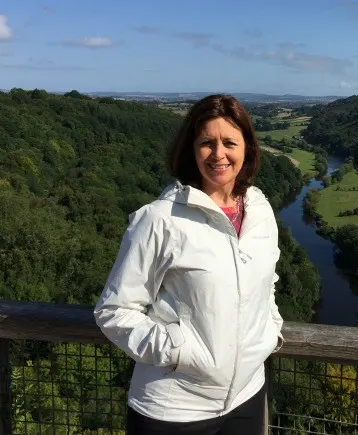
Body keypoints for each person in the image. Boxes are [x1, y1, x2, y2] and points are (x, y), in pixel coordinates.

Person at [93, 94, 284, 435]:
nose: (219, 154)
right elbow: (114, 311)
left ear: (248, 149)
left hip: (247, 395)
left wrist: (270, 329)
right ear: (191, 150)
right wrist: (178, 350)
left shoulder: (261, 212)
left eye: (229, 142)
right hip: (173, 408)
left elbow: (267, 281)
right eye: (207, 143)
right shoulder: (160, 220)